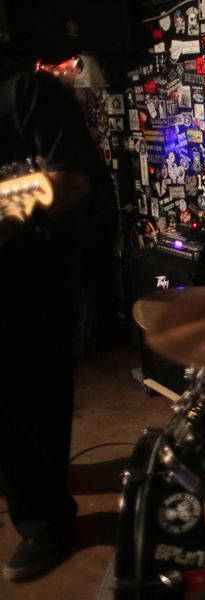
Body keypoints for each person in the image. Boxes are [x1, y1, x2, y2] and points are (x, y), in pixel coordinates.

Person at [0, 60, 95, 581]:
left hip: (33, 280)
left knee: (30, 399)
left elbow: (69, 179)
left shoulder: (29, 92)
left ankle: (46, 522)